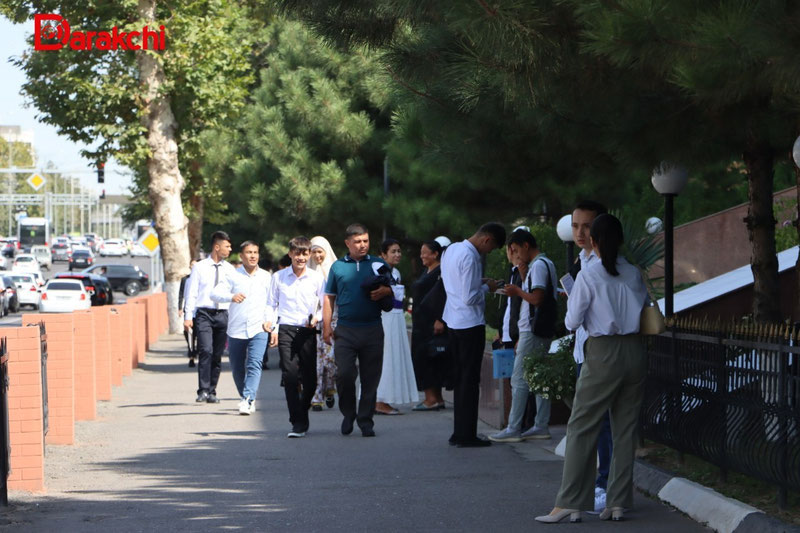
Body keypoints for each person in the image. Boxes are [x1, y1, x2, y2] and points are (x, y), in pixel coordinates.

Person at [535, 214, 648, 524]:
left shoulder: (589, 275)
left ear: (594, 241)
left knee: (582, 425)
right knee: (625, 429)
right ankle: (618, 502)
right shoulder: (634, 273)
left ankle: (570, 501)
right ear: (621, 240)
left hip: (603, 353)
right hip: (635, 352)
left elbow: (572, 322)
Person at [323, 223, 393, 437]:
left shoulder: (379, 264)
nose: (362, 245)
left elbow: (394, 294)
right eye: (357, 242)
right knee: (344, 374)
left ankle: (365, 421)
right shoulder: (337, 267)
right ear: (347, 243)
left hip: (372, 328)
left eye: (365, 241)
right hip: (345, 330)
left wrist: (386, 290)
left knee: (371, 378)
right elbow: (329, 297)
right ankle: (348, 413)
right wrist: (326, 327)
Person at [441, 222, 506, 448]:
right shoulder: (471, 257)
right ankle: (466, 434)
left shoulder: (452, 249)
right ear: (487, 240)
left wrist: (481, 282)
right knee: (469, 380)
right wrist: (488, 288)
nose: (489, 252)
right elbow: (469, 296)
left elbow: (456, 283)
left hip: (453, 320)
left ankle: (459, 431)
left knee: (461, 378)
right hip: (469, 323)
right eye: (493, 248)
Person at [490, 229, 557, 443]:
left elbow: (536, 298)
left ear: (526, 246)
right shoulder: (547, 264)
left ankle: (513, 427)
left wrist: (516, 291)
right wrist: (521, 275)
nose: (517, 255)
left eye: (517, 250)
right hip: (541, 329)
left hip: (532, 330)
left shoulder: (538, 265)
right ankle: (540, 424)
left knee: (519, 379)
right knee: (539, 377)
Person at [570, 200, 612, 513]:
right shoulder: (581, 262)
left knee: (603, 424)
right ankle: (596, 483)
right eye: (576, 226)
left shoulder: (609, 264)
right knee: (593, 424)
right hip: (582, 349)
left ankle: (604, 483)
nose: (581, 232)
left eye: (587, 226)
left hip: (603, 350)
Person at [266, 237, 326, 438]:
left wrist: (317, 318)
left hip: (308, 330)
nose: (301, 257)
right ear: (290, 254)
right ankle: (297, 422)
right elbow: (271, 304)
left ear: (308, 255)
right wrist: (271, 325)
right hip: (286, 329)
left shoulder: (316, 278)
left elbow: (325, 304)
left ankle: (302, 411)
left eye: (305, 253)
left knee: (310, 381)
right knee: (290, 376)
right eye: (297, 253)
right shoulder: (279, 277)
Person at [211, 241, 272, 415]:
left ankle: (248, 398)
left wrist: (270, 322)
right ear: (241, 255)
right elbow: (214, 293)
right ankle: (245, 397)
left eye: (255, 252)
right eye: (248, 252)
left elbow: (271, 302)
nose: (253, 256)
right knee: (237, 367)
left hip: (259, 327)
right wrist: (231, 296)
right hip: (236, 328)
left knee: (254, 364)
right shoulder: (233, 275)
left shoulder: (266, 277)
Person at [183, 231, 237, 403]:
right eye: (227, 246)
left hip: (222, 314)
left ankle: (212, 391)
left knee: (217, 354)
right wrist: (188, 315)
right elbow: (191, 292)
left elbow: (234, 293)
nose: (230, 249)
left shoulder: (230, 269)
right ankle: (203, 390)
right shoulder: (199, 267)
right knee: (205, 350)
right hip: (204, 314)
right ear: (216, 246)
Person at [375, 239, 418, 415]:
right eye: (393, 251)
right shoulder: (378, 271)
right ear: (383, 255)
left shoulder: (396, 272)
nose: (397, 255)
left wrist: (392, 291)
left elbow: (396, 293)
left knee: (394, 357)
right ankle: (379, 399)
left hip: (397, 316)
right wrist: (391, 291)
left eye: (399, 251)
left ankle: (386, 398)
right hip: (386, 317)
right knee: (385, 358)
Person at [410, 240, 450, 411]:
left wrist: (440, 319)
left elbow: (444, 295)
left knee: (428, 360)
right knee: (428, 359)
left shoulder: (442, 272)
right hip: (421, 323)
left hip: (432, 324)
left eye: (425, 252)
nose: (422, 256)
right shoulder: (427, 270)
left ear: (435, 254)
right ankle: (436, 397)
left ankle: (431, 398)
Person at [308, 236, 338, 411]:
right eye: (314, 252)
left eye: (320, 252)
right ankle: (317, 396)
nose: (317, 256)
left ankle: (329, 388)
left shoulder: (335, 270)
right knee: (317, 360)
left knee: (331, 360)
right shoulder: (308, 272)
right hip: (312, 323)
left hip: (334, 321)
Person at [179, 260, 198, 368]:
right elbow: (183, 294)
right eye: (192, 265)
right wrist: (180, 308)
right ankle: (191, 355)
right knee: (189, 334)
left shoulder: (205, 279)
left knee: (201, 336)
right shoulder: (187, 280)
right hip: (190, 311)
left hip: (201, 312)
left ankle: (197, 352)